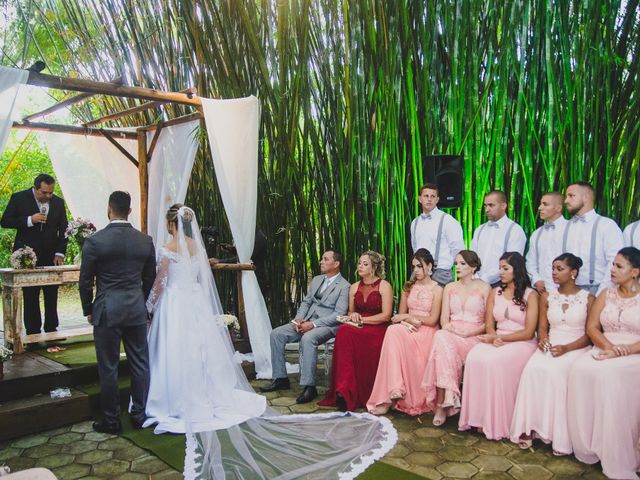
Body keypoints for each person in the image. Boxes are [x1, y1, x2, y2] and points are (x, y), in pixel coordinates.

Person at [144, 204, 266, 434]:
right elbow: (201, 276)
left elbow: (160, 282)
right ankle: (206, 392)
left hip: (174, 302)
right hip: (195, 300)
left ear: (171, 224)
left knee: (175, 348)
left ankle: (176, 397)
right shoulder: (196, 248)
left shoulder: (167, 248)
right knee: (199, 348)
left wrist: (148, 305)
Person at [78, 191, 156, 434]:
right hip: (135, 308)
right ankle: (139, 415)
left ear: (109, 209)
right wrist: (140, 301)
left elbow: (84, 281)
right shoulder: (145, 240)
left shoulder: (95, 241)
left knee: (109, 367)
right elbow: (150, 278)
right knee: (140, 364)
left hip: (107, 309)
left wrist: (88, 309)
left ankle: (112, 421)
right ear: (130, 211)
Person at [567, 247, 640, 479]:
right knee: (579, 368)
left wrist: (623, 351)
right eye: (612, 265)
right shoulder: (606, 293)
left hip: (633, 353)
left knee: (609, 375)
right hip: (606, 346)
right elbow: (591, 327)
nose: (612, 270)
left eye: (619, 266)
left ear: (635, 272)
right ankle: (590, 443)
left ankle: (617, 449)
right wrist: (608, 347)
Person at [511, 253, 593, 455]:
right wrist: (543, 340)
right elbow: (542, 328)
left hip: (576, 346)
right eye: (553, 269)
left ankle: (557, 435)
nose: (554, 273)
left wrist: (567, 348)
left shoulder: (588, 298)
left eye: (560, 269)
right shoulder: (547, 296)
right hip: (553, 342)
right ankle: (530, 427)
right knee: (532, 369)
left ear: (573, 273)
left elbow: (589, 335)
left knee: (556, 373)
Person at [458, 252, 538, 440]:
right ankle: (478, 419)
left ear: (516, 270)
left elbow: (529, 331)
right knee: (475, 357)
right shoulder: (496, 292)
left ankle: (500, 422)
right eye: (500, 268)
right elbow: (489, 324)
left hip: (521, 342)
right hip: (498, 338)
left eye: (505, 268)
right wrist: (493, 338)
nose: (500, 272)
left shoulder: (531, 295)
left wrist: (505, 341)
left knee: (496, 361)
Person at [261, 250, 350, 404]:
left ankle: (310, 386)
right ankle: (281, 378)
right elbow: (307, 302)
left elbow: (339, 314)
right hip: (306, 321)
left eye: (325, 259)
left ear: (336, 264)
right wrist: (298, 320)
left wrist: (313, 324)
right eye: (322, 258)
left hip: (327, 325)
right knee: (276, 334)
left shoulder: (344, 286)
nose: (321, 261)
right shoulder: (316, 279)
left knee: (308, 339)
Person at [367, 249, 443, 415]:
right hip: (408, 328)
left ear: (429, 266)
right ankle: (394, 389)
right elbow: (399, 317)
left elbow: (432, 320)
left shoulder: (438, 290)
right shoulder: (408, 287)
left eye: (420, 266)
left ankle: (398, 392)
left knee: (394, 333)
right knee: (393, 330)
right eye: (414, 267)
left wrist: (409, 316)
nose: (415, 270)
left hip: (427, 332)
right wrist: (407, 319)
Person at [422, 250, 491, 426]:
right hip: (451, 333)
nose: (457, 267)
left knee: (441, 341)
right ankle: (448, 397)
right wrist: (449, 328)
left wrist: (470, 332)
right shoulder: (450, 287)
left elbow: (489, 323)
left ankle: (443, 404)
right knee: (441, 336)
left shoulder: (485, 288)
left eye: (462, 264)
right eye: (456, 263)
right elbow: (444, 319)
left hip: (473, 336)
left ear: (473, 267)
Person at [319, 251, 393, 412]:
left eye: (365, 264)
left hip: (377, 327)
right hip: (356, 327)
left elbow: (386, 315)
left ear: (374, 267)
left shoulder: (384, 286)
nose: (360, 266)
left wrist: (363, 320)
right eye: (359, 263)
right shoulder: (353, 287)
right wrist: (353, 315)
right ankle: (344, 391)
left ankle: (365, 392)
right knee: (344, 332)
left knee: (353, 334)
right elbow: (351, 312)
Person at [0, 174, 68, 334]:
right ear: (35, 188)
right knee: (31, 295)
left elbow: (64, 229)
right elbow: (5, 221)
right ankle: (33, 331)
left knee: (51, 293)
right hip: (26, 255)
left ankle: (52, 329)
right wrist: (29, 220)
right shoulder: (19, 198)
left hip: (52, 255)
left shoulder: (58, 202)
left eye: (51, 192)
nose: (48, 196)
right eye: (44, 193)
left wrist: (60, 252)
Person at [563, 181, 624, 295]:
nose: (566, 201)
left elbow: (615, 260)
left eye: (571, 196)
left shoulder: (606, 225)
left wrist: (601, 293)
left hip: (597, 288)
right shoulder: (565, 226)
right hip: (566, 290)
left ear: (585, 198)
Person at [409, 183, 465, 286]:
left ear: (437, 200)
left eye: (433, 196)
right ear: (420, 199)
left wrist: (445, 265)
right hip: (420, 272)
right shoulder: (415, 223)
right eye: (426, 196)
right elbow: (415, 248)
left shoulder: (448, 221)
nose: (429, 199)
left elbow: (458, 250)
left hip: (441, 273)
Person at [471, 190, 526, 287]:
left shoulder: (515, 230)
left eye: (491, 205)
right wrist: (474, 277)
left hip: (502, 284)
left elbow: (512, 262)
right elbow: (471, 257)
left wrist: (483, 280)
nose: (487, 209)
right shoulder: (480, 229)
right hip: (475, 282)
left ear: (503, 206)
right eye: (485, 205)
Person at [525, 192, 568, 293]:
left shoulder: (571, 229)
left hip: (565, 289)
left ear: (558, 208)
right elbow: (531, 261)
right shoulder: (537, 233)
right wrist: (536, 280)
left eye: (545, 204)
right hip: (542, 290)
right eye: (540, 204)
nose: (540, 208)